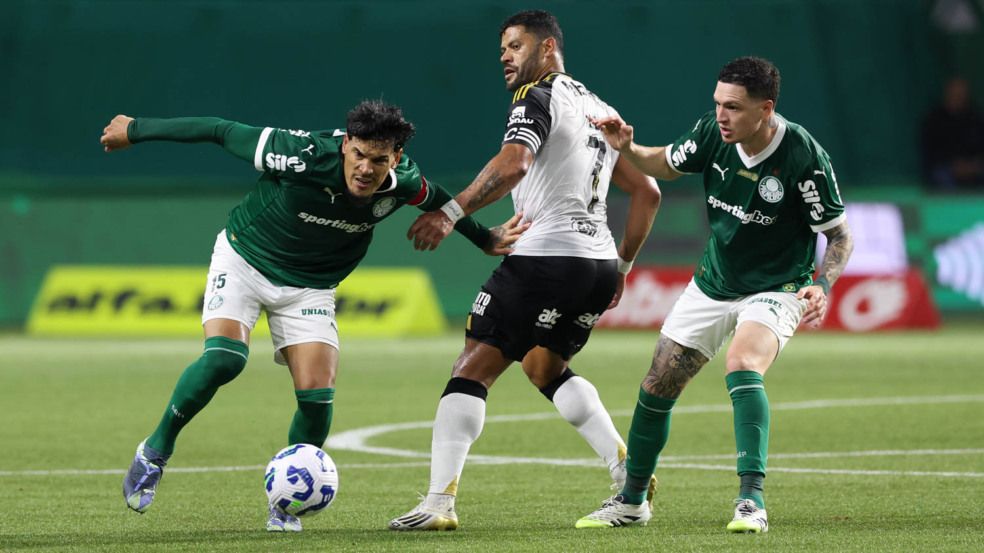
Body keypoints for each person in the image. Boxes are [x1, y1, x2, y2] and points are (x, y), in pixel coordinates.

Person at [99, 100, 526, 532]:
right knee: (226, 359)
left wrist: (484, 237)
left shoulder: (402, 181)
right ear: (345, 146)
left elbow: (436, 198)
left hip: (310, 287)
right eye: (358, 154)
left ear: (394, 158)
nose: (365, 169)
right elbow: (220, 129)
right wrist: (136, 128)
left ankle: (285, 505)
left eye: (379, 160)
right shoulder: (301, 154)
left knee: (317, 396)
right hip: (245, 260)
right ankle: (154, 451)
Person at [388, 10, 662, 531]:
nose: (505, 57)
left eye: (515, 46)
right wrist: (622, 267)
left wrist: (449, 213)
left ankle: (438, 504)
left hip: (545, 258)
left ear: (547, 48)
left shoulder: (536, 96)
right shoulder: (600, 109)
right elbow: (647, 192)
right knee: (543, 366)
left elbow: (514, 162)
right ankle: (628, 474)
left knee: (471, 368)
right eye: (502, 50)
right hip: (597, 263)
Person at [575, 56, 854, 532]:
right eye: (718, 104)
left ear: (765, 109)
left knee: (743, 362)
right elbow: (664, 163)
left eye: (734, 107)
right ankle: (632, 502)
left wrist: (821, 284)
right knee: (657, 384)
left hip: (777, 286)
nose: (722, 115)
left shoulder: (803, 156)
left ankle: (751, 503)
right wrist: (628, 147)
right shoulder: (713, 132)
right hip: (713, 282)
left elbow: (840, 236)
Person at [920, 76, 984, 189]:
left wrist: (972, 165)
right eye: (955, 92)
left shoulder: (975, 118)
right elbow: (931, 152)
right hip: (946, 168)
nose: (959, 96)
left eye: (962, 92)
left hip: (973, 167)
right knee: (941, 175)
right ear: (947, 92)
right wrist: (954, 165)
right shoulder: (934, 119)